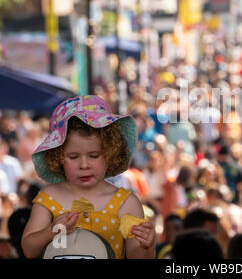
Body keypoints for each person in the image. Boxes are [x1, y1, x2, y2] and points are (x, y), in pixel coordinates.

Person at [21, 95, 155, 259]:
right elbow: (29, 250)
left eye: (93, 155)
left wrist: (146, 246)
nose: (84, 165)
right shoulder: (49, 197)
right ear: (58, 157)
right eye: (73, 157)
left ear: (109, 153)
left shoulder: (126, 203)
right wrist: (52, 231)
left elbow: (137, 256)